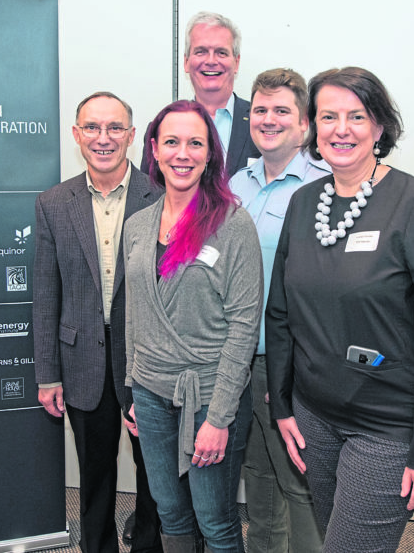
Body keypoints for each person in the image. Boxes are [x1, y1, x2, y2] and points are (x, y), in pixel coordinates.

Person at [265, 67, 414, 553]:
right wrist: (283, 405)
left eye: (356, 116)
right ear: (313, 127)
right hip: (314, 418)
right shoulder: (304, 202)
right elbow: (281, 312)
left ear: (379, 126)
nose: (341, 129)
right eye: (328, 116)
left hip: (387, 426)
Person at [123, 99, 263, 553]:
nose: (182, 153)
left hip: (207, 395)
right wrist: (133, 389)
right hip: (150, 392)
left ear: (209, 155)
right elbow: (136, 312)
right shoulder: (138, 225)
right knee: (169, 511)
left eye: (195, 143)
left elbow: (244, 324)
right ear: (154, 150)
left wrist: (219, 418)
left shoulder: (232, 224)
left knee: (216, 520)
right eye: (172, 142)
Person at [33, 92, 163, 553]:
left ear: (131, 136)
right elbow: (47, 293)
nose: (102, 138)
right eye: (92, 127)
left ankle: (150, 546)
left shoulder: (162, 195)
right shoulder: (53, 203)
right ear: (76, 134)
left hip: (149, 363)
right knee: (94, 476)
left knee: (155, 477)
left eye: (114, 129)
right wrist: (47, 373)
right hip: (81, 359)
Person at [229, 68, 328, 553]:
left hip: (292, 362)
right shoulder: (235, 184)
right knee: (258, 480)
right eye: (261, 110)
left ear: (305, 123)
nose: (269, 120)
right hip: (237, 360)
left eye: (282, 111)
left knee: (300, 484)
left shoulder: (325, 186)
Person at [141, 11, 260, 177]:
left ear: (236, 62)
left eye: (221, 52)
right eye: (201, 52)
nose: (211, 61)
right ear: (186, 62)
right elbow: (150, 192)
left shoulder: (262, 123)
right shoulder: (160, 129)